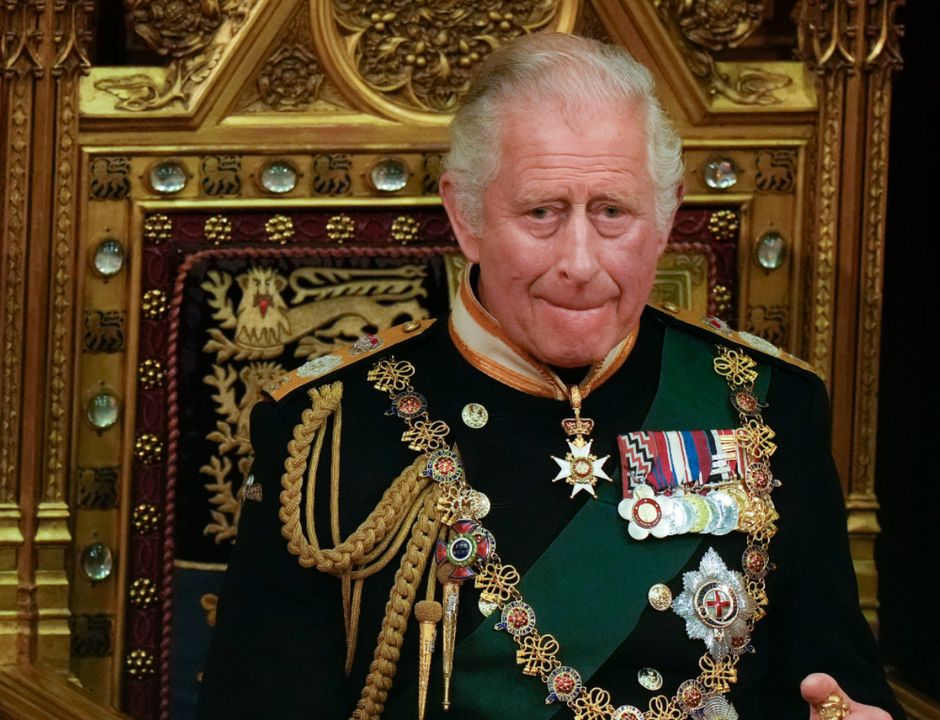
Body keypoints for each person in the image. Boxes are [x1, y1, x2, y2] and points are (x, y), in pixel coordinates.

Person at [198, 32, 903, 720]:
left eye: (612, 213)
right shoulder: (329, 429)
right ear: (465, 216)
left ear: (664, 219)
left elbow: (838, 682)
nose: (580, 261)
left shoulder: (766, 405)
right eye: (542, 212)